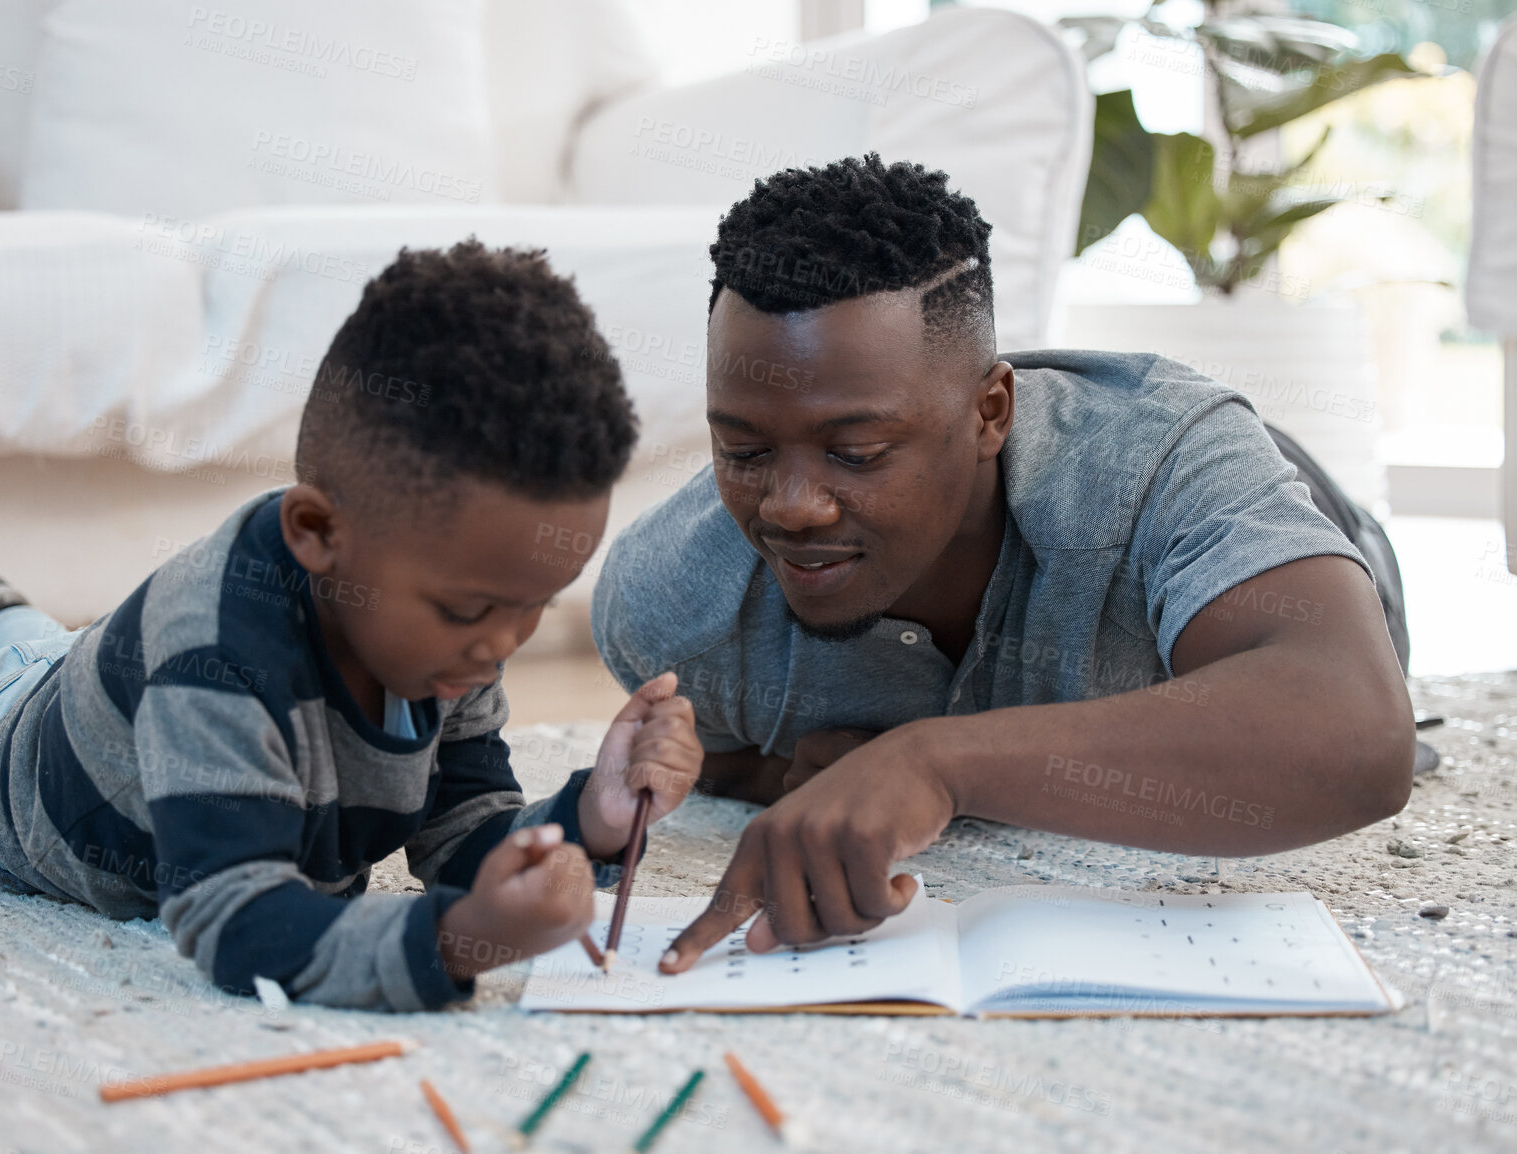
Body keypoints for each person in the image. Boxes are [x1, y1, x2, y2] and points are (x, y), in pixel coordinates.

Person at [0, 240, 702, 1010]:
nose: (506, 642)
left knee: (51, 659)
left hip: (98, 685)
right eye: (473, 610)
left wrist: (590, 817)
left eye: (535, 602)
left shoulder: (451, 624)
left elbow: (460, 822)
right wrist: (463, 941)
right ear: (316, 533)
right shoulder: (216, 661)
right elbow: (231, 919)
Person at [589, 155, 1414, 974]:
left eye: (857, 451)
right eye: (744, 448)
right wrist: (783, 776)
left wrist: (936, 762)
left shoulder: (1160, 461)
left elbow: (1357, 738)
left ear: (991, 414)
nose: (789, 506)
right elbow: (715, 761)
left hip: (1297, 512)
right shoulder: (666, 607)